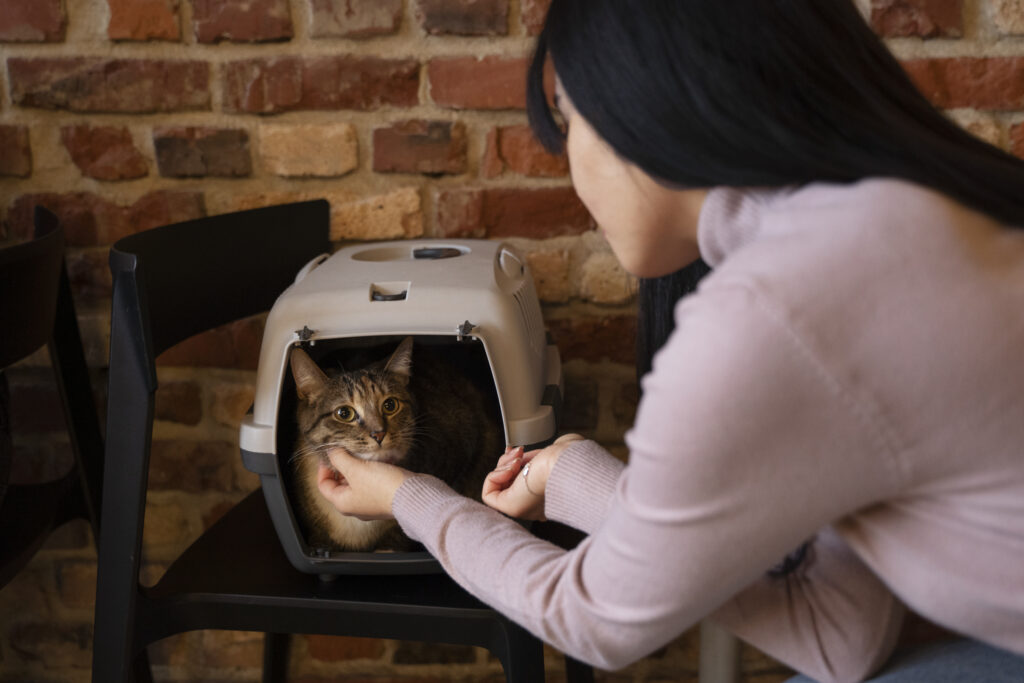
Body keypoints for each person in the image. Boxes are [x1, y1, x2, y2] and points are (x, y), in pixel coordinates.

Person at [315, 1, 1024, 681]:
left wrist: (407, 494)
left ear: (642, 102)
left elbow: (587, 615)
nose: (572, 167)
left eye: (568, 123)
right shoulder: (896, 212)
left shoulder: (778, 310)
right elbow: (839, 633)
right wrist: (572, 480)